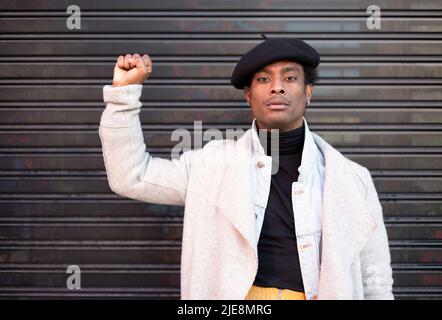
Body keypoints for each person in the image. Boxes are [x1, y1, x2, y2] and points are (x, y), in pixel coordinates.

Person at [98, 38, 394, 300]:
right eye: (264, 80)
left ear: (308, 92)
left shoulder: (351, 179)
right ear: (248, 96)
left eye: (290, 77)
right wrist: (123, 94)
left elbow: (375, 278)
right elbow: (131, 175)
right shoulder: (210, 166)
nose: (277, 86)